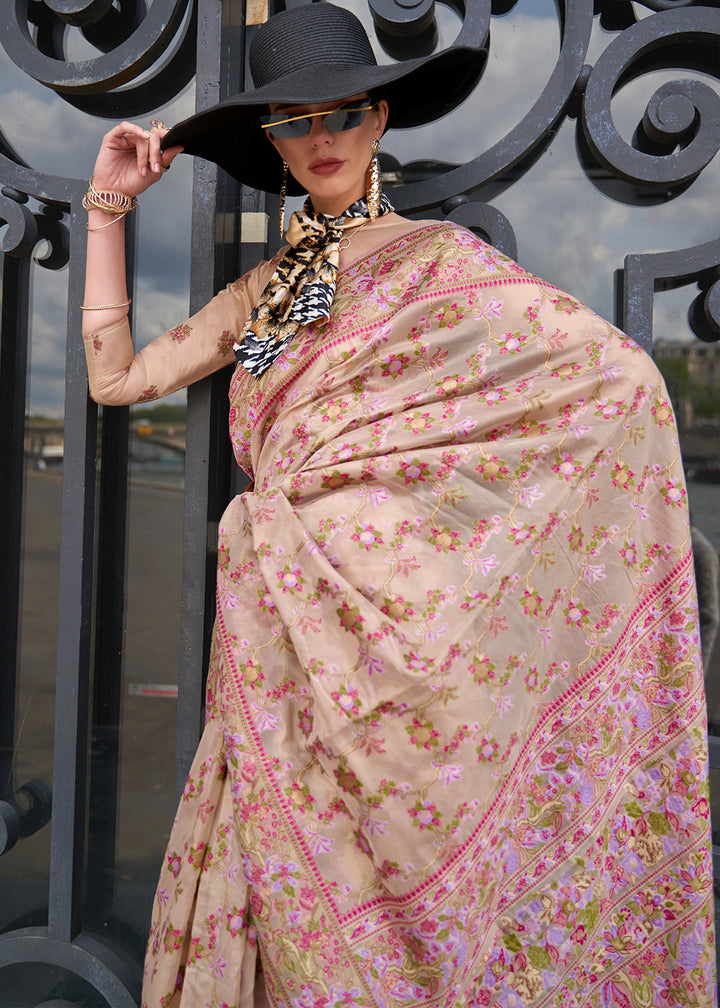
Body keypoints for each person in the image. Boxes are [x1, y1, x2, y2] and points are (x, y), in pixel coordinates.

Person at [81, 5, 716, 1006]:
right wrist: (107, 210)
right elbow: (117, 377)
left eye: (345, 113)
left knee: (435, 882)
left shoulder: (446, 267)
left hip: (421, 649)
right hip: (287, 639)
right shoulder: (261, 299)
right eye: (295, 123)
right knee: (298, 899)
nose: (322, 139)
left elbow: (619, 382)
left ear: (380, 117)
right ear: (271, 142)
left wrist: (474, 576)